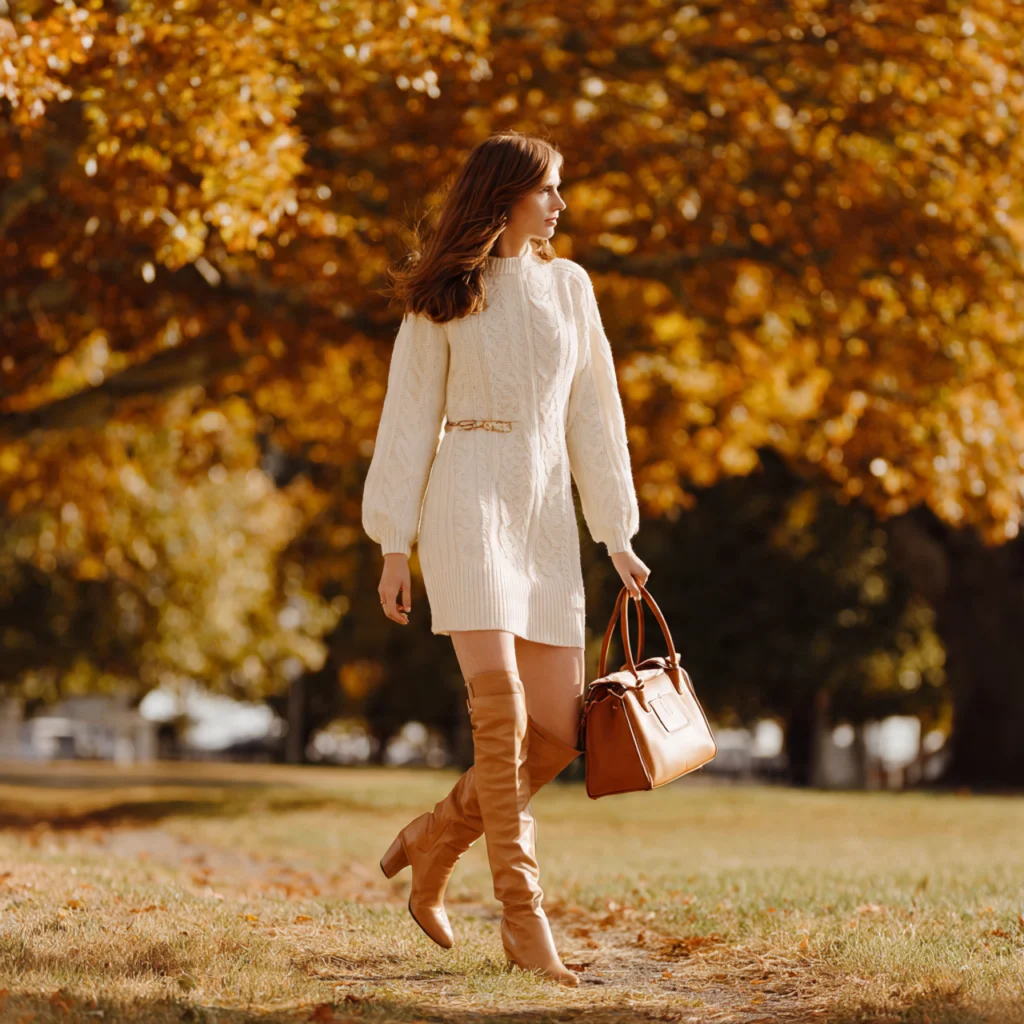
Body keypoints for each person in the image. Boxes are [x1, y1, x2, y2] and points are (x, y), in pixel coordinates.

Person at [360, 129, 651, 987]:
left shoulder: (571, 287)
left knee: (559, 733)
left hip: (545, 513)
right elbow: (408, 419)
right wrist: (392, 544)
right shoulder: (445, 289)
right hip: (465, 502)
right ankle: (524, 922)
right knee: (503, 715)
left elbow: (597, 416)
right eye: (549, 188)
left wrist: (618, 533)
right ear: (505, 195)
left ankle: (432, 842)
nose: (561, 204)